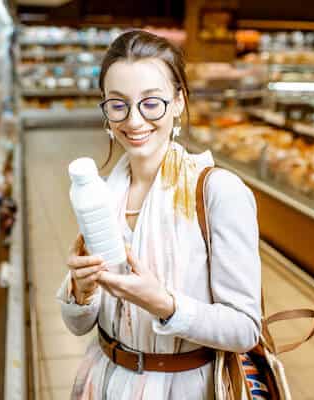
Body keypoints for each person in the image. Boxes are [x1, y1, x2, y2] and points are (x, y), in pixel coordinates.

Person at [57, 30, 261, 400]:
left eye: (151, 103)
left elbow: (245, 329)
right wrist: (81, 290)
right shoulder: (102, 195)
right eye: (118, 105)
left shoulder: (218, 193)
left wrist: (164, 304)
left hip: (183, 388)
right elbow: (78, 325)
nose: (134, 121)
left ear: (179, 101)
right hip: (104, 382)